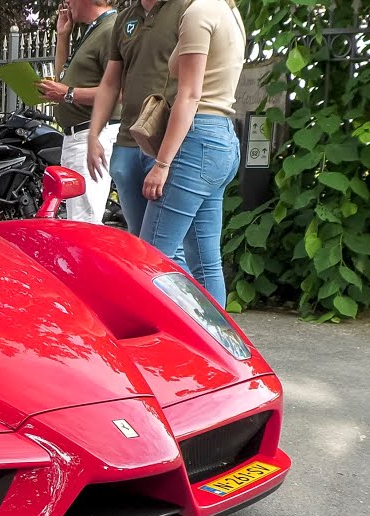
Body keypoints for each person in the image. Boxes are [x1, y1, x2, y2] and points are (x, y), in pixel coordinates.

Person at [137, 0, 245, 302]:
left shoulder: (200, 13)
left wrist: (162, 163)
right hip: (222, 137)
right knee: (206, 264)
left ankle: (150, 344)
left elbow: (190, 94)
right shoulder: (228, 12)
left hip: (197, 139)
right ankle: (216, 346)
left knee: (149, 260)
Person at [86, 0, 193, 247]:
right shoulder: (124, 19)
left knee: (166, 247)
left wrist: (164, 161)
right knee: (141, 242)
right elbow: (110, 83)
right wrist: (93, 136)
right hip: (128, 142)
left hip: (168, 143)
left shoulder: (185, 8)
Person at [36, 0, 120, 224]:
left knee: (85, 219)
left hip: (91, 134)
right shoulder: (92, 30)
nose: (66, 4)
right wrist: (63, 36)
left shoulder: (110, 29)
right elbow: (63, 78)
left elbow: (121, 91)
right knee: (78, 215)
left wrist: (68, 94)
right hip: (77, 135)